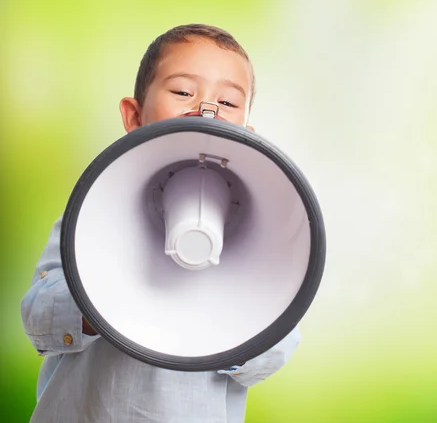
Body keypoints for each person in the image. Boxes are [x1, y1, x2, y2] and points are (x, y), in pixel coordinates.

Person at [20, 23, 301, 423]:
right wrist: (105, 297)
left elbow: (274, 351)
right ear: (134, 116)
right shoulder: (95, 207)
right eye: (184, 92)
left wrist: (233, 303)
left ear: (246, 135)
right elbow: (39, 318)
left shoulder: (268, 228)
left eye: (228, 101)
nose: (205, 110)